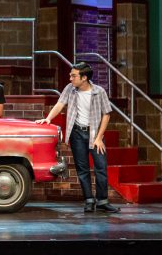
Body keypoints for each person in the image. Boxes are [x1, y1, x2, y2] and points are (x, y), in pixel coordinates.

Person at [36, 62, 120, 213]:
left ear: (84, 78)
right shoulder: (70, 89)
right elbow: (60, 104)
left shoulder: (98, 91)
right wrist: (48, 118)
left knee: (100, 168)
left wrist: (99, 137)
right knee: (82, 168)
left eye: (73, 76)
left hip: (94, 133)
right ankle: (89, 200)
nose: (70, 78)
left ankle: (102, 201)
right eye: (70, 75)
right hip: (77, 133)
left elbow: (106, 114)